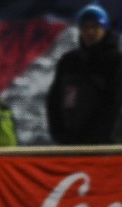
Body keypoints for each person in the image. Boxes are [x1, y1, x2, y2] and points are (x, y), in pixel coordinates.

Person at [47, 4, 122, 145]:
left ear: (105, 29)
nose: (90, 32)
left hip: (105, 144)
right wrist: (59, 134)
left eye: (95, 27)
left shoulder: (115, 62)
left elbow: (114, 103)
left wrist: (97, 136)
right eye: (86, 27)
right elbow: (54, 99)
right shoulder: (69, 61)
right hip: (70, 142)